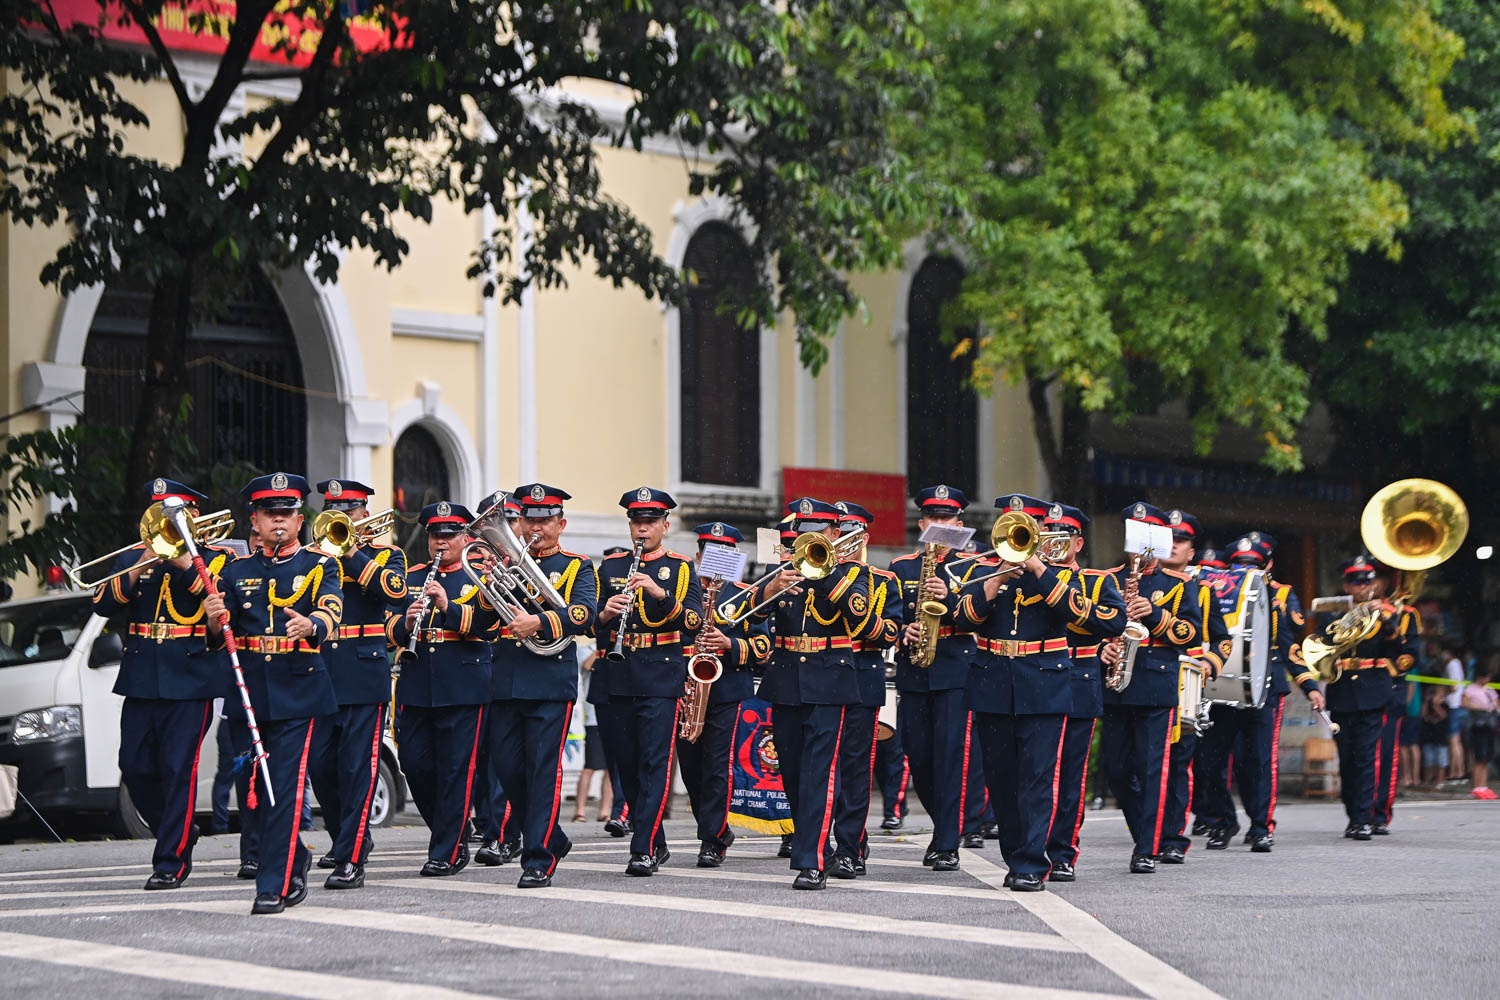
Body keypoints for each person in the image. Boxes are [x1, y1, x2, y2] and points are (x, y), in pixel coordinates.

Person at [203, 472, 343, 914]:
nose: (279, 522)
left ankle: (272, 886)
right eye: (270, 514)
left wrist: (314, 624)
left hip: (299, 691)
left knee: (281, 788)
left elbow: (332, 607)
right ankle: (294, 857)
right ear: (256, 521)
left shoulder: (320, 565)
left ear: (300, 520)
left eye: (287, 513)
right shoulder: (233, 570)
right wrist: (211, 618)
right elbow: (217, 636)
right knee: (254, 791)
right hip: (249, 695)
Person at [91, 478, 235, 891]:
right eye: (161, 516)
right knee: (134, 767)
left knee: (178, 769)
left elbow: (216, 602)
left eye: (173, 517)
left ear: (192, 516)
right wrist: (143, 563)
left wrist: (182, 559)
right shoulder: (137, 558)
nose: (165, 525)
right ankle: (180, 830)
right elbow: (102, 603)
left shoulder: (216, 558)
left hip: (191, 678)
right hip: (140, 677)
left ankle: (170, 860)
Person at [949, 493, 1096, 892]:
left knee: (1036, 777)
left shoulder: (1062, 575)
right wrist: (996, 579)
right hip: (993, 683)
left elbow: (1087, 618)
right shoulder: (983, 571)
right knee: (1001, 780)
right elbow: (959, 617)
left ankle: (1031, 863)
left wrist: (1035, 566)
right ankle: (1017, 856)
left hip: (1044, 685)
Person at [754, 496, 878, 889]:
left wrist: (825, 575)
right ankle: (810, 842)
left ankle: (812, 860)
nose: (807, 543)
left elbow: (866, 623)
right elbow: (750, 617)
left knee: (818, 774)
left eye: (816, 536)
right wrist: (772, 586)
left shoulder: (853, 575)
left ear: (834, 534)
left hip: (831, 680)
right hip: (787, 677)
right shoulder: (784, 571)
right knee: (791, 772)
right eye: (802, 536)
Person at [485, 483, 597, 888]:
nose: (536, 527)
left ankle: (537, 858)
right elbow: (484, 622)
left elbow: (585, 612)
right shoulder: (503, 563)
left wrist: (542, 622)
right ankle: (553, 835)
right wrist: (483, 590)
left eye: (545, 520)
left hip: (550, 681)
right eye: (529, 519)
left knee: (542, 771)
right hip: (505, 679)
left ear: (561, 524)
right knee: (509, 768)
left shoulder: (576, 565)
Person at [594, 487, 703, 877]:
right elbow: (590, 624)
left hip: (661, 674)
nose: (643, 529)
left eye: (650, 523)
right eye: (637, 522)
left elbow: (694, 624)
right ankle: (655, 839)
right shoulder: (609, 568)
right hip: (620, 674)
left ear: (665, 526)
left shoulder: (681, 567)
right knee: (627, 766)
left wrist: (660, 594)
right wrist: (605, 614)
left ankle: (641, 848)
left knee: (655, 763)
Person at [387, 501, 500, 877]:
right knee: (415, 765)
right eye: (435, 534)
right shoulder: (412, 575)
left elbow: (489, 626)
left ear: (465, 537)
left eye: (450, 535)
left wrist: (447, 605)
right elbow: (389, 630)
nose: (441, 542)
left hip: (465, 685)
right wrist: (405, 621)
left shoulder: (479, 574)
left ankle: (447, 851)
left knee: (456, 771)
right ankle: (452, 832)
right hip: (419, 684)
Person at [306, 479, 407, 890]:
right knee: (321, 766)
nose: (343, 517)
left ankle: (349, 859)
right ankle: (349, 838)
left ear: (365, 514)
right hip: (321, 670)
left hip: (364, 671)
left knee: (356, 767)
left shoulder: (387, 555)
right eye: (335, 510)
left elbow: (395, 593)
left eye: (350, 511)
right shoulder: (311, 556)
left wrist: (351, 552)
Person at [1198, 533, 1323, 853]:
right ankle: (1224, 820)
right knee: (1209, 762)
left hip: (1262, 692)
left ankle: (1260, 827)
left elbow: (1289, 647)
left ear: (1266, 567)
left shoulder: (1272, 599)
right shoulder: (1215, 598)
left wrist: (1309, 686)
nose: (1247, 571)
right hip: (1221, 690)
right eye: (1239, 565)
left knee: (1257, 761)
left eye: (1253, 565)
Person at [1099, 502, 1204, 874]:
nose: (1140, 546)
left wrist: (1155, 614)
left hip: (1157, 685)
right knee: (1115, 769)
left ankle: (1146, 847)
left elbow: (1190, 634)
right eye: (1135, 536)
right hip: (1115, 684)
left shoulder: (1179, 584)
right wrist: (1103, 647)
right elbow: (1086, 629)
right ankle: (1148, 831)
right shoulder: (1107, 580)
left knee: (1152, 769)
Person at [888, 485, 984, 872]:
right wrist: (901, 632)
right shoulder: (902, 566)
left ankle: (946, 840)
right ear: (921, 523)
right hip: (914, 668)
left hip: (956, 669)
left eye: (947, 519)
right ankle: (947, 824)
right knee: (920, 757)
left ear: (959, 524)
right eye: (933, 518)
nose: (940, 525)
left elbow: (978, 617)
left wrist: (950, 598)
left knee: (951, 758)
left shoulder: (972, 567)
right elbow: (890, 617)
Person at [1039, 502, 1126, 882]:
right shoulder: (1025, 576)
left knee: (1070, 775)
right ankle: (1030, 843)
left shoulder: (1097, 580)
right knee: (1034, 772)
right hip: (1035, 680)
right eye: (1046, 536)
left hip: (1077, 682)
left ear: (1077, 543)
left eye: (1061, 538)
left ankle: (1061, 851)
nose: (1052, 544)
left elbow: (1111, 620)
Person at [678, 522, 771, 869]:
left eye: (724, 554)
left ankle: (712, 839)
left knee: (717, 765)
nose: (714, 560)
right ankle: (715, 827)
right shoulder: (683, 589)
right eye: (708, 552)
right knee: (690, 767)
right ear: (699, 555)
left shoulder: (746, 594)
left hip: (728, 687)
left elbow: (763, 645)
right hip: (687, 688)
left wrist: (730, 644)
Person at [1319, 554, 1418, 840]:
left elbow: (1399, 652)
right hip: (1342, 693)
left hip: (1374, 691)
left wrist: (1386, 622)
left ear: (1374, 584)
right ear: (1346, 585)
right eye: (1355, 582)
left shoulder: (1388, 615)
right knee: (1348, 759)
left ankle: (1363, 818)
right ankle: (1354, 813)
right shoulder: (1333, 611)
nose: (1362, 587)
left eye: (1367, 581)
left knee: (1366, 758)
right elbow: (1324, 646)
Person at [829, 502, 903, 878]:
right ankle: (827, 839)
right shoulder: (811, 573)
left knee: (855, 767)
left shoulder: (884, 581)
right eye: (836, 532)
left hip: (861, 675)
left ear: (863, 537)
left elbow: (891, 632)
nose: (841, 539)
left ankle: (849, 845)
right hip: (821, 678)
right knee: (822, 766)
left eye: (849, 533)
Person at [1153, 508, 1225, 865]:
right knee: (1132, 765)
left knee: (1178, 763)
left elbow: (1222, 642)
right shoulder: (1140, 580)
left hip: (1186, 682)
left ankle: (1171, 838)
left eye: (1180, 541)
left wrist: (1210, 664)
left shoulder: (1203, 590)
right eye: (1168, 539)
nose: (1173, 546)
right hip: (1145, 678)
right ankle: (1148, 829)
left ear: (1191, 552)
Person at [587, 545, 632, 838]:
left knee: (632, 754)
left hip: (631, 676)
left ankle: (622, 812)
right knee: (614, 752)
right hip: (604, 675)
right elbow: (588, 624)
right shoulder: (599, 583)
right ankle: (623, 809)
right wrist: (604, 614)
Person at [573, 639, 608, 821]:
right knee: (591, 766)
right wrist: (604, 647)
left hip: (612, 711)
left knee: (611, 769)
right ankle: (580, 810)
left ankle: (605, 811)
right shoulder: (584, 649)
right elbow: (587, 666)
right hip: (593, 715)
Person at [1461, 663, 1498, 798]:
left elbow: (1496, 703)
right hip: (1478, 725)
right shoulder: (1471, 689)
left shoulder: (1489, 690)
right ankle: (1477, 786)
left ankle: (1484, 785)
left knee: (1486, 757)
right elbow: (1464, 703)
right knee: (1479, 757)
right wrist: (1480, 707)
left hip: (1489, 725)